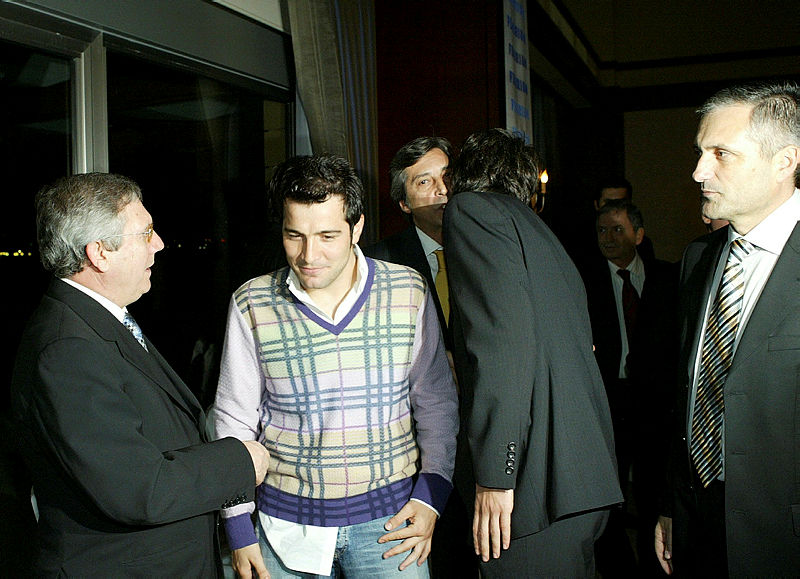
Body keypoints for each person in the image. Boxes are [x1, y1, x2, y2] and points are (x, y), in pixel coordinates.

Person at [10, 172, 269, 576]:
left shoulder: (97, 321)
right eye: (146, 233)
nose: (159, 243)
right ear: (99, 254)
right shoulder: (68, 350)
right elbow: (138, 489)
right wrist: (240, 461)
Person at [213, 154, 459, 578]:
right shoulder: (252, 301)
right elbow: (233, 420)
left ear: (356, 227)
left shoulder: (408, 289)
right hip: (283, 528)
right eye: (295, 235)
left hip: (393, 525)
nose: (310, 255)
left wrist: (431, 496)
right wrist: (237, 526)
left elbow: (436, 402)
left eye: (327, 236)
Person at [442, 128, 622, 577]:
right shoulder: (538, 232)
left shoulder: (472, 211)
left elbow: (503, 349)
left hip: (533, 487)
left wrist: (496, 474)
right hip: (579, 478)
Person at [655, 81, 800, 576]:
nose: (698, 172)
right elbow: (686, 391)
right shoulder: (699, 258)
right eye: (701, 153)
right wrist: (672, 503)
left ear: (784, 161)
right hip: (697, 525)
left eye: (721, 154)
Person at [580, 199, 678, 575]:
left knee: (653, 492)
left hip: (654, 405)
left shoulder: (666, 278)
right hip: (606, 402)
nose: (608, 238)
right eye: (602, 230)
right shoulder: (584, 281)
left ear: (638, 235)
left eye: (617, 230)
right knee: (608, 495)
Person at [364, 136, 453, 347]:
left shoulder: (483, 248)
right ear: (404, 203)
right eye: (425, 182)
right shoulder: (379, 263)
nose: (442, 189)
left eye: (447, 176)